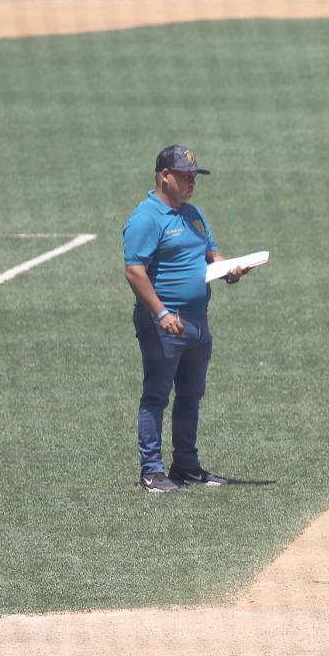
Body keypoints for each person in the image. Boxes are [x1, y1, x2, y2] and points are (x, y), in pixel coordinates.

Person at [122, 146, 250, 493]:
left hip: (196, 321)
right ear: (165, 176)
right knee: (156, 395)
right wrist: (161, 313)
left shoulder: (192, 214)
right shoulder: (146, 218)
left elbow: (212, 253)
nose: (192, 182)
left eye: (194, 177)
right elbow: (135, 272)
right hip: (164, 323)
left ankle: (187, 467)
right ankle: (151, 472)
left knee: (191, 394)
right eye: (185, 176)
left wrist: (229, 269)